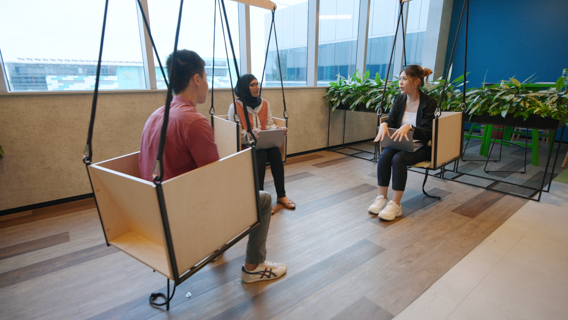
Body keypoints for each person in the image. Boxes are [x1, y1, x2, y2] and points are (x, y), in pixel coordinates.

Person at [139, 50, 286, 283]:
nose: (207, 84)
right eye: (206, 77)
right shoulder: (194, 122)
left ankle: (218, 247)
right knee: (264, 199)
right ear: (196, 79)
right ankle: (253, 266)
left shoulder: (156, 115)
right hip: (190, 211)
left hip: (160, 208)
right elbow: (215, 182)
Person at [368, 65, 437, 221]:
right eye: (399, 79)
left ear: (416, 81)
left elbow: (427, 130)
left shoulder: (429, 102)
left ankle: (396, 204)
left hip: (420, 146)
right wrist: (384, 124)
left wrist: (410, 128)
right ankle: (382, 198)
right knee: (385, 156)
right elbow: (391, 120)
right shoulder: (400, 99)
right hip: (400, 144)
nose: (400, 82)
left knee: (399, 159)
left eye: (404, 79)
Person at [228, 74, 296, 211]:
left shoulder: (264, 103)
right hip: (245, 145)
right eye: (252, 85)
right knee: (261, 155)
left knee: (275, 153)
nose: (257, 87)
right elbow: (234, 132)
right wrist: (250, 134)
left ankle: (281, 195)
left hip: (262, 142)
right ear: (244, 88)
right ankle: (260, 200)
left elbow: (269, 124)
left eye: (257, 83)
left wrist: (278, 130)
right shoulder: (235, 107)